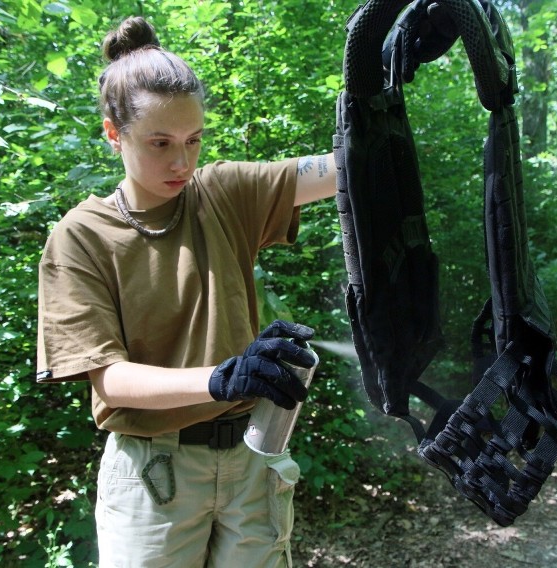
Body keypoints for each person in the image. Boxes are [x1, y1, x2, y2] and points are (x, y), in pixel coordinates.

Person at [35, 15, 337, 567]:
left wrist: (382, 88)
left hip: (251, 462)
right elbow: (110, 379)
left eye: (194, 140)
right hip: (155, 475)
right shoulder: (81, 235)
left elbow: (346, 169)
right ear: (113, 133)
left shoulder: (220, 193)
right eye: (160, 142)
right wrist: (222, 377)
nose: (182, 161)